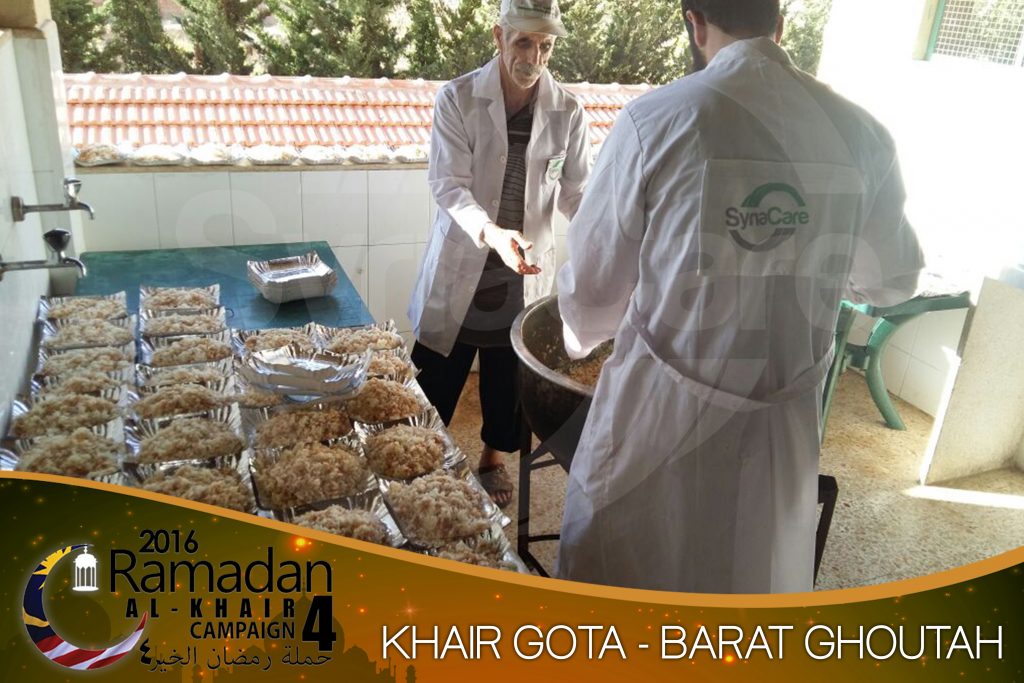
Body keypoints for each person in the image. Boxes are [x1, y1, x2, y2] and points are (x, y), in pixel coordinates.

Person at [555, 0, 924, 592]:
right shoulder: (862, 134)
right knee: (749, 580)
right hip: (780, 425)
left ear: (694, 22)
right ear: (780, 25)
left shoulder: (658, 120)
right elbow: (893, 280)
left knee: (630, 576)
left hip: (659, 419)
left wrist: (582, 337)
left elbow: (593, 289)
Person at [407, 0, 591, 507]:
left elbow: (576, 192)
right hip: (466, 258)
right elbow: (448, 185)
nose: (534, 57)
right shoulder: (459, 98)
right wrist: (491, 233)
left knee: (506, 377)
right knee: (435, 374)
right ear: (498, 36)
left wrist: (607, 236)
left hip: (522, 268)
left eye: (545, 46)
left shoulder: (568, 111)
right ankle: (419, 458)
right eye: (523, 42)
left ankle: (492, 458)